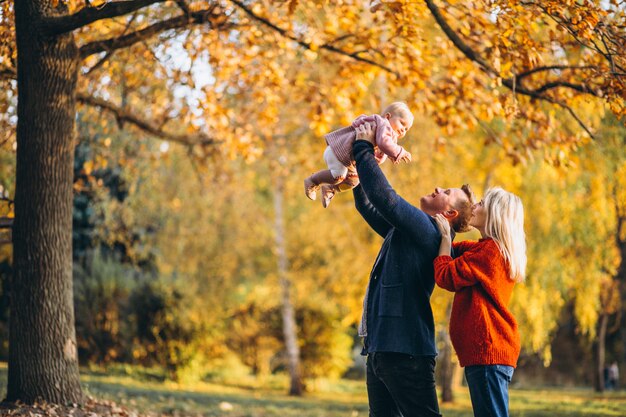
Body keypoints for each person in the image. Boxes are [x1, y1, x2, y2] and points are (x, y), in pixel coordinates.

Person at [351, 122, 475, 417]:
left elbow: (388, 200)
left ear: (449, 214)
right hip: (383, 349)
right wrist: (356, 179)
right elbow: (372, 208)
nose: (436, 188)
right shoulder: (411, 231)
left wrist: (363, 147)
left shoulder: (429, 230)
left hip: (406, 352)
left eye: (445, 191)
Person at [432, 187, 527, 417]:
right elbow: (457, 251)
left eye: (481, 204)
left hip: (488, 351)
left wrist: (445, 236)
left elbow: (445, 275)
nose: (475, 205)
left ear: (495, 215)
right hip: (490, 353)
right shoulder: (486, 249)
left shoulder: (490, 254)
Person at [304, 102, 413, 208]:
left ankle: (330, 188)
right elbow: (384, 143)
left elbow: (383, 146)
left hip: (348, 160)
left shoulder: (388, 135)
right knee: (338, 175)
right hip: (339, 150)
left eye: (406, 129)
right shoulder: (383, 124)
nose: (403, 130)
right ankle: (313, 180)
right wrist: (399, 152)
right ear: (388, 117)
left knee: (353, 181)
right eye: (402, 123)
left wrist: (391, 155)